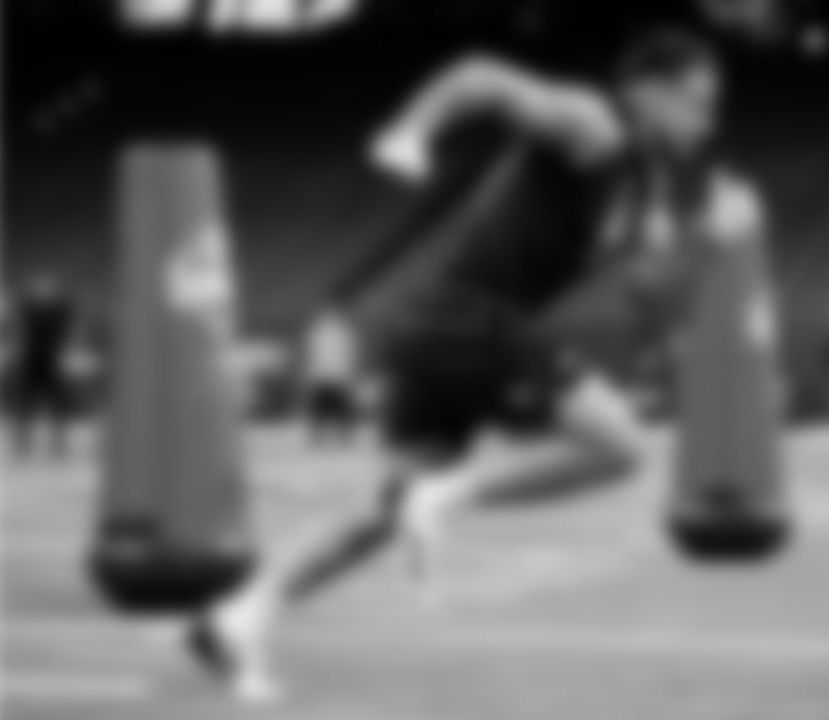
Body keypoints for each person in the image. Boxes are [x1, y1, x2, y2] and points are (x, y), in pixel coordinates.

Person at [187, 26, 773, 702]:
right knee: (619, 448)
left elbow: (649, 293)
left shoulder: (645, 190)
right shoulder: (593, 123)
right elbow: (483, 76)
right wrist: (413, 130)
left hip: (445, 329)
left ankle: (236, 619)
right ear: (647, 93)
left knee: (385, 511)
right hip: (467, 317)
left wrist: (713, 239)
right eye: (697, 102)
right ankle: (454, 494)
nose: (710, 120)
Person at [8, 272, 78, 459]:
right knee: (25, 406)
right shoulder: (28, 310)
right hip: (31, 362)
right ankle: (21, 445)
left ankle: (59, 445)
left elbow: (68, 309)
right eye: (40, 287)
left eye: (48, 287)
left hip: (52, 363)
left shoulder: (61, 311)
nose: (44, 290)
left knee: (58, 406)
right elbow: (21, 310)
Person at [301, 305, 362, 444]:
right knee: (336, 408)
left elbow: (310, 355)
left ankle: (321, 436)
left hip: (325, 375)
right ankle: (340, 436)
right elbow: (350, 355)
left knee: (324, 408)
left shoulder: (318, 332)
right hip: (335, 375)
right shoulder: (343, 333)